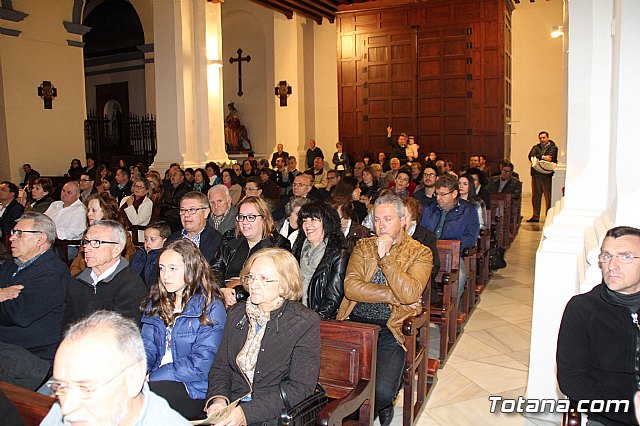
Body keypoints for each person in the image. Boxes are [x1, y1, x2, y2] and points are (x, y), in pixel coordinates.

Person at [336, 194, 432, 426]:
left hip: (392, 329)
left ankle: (378, 407)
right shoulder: (363, 245)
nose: (381, 226)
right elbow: (351, 288)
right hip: (355, 322)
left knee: (382, 391)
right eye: (377, 220)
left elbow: (410, 293)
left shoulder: (420, 252)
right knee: (336, 382)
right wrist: (393, 295)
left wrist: (386, 257)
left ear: (403, 221)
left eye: (387, 219)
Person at [205, 248, 320, 425]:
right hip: (233, 406)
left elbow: (300, 388)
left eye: (264, 279)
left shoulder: (303, 322)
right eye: (251, 277)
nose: (254, 284)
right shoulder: (237, 313)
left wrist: (245, 414)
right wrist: (218, 399)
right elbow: (221, 366)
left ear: (284, 284)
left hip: (272, 414)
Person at [40, 311, 190, 425]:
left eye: (85, 388)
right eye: (61, 387)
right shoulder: (65, 411)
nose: (66, 409)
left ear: (133, 379)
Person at [557, 226, 640, 426]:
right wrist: (630, 407)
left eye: (625, 257)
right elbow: (571, 379)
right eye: (606, 256)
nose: (612, 265)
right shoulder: (583, 309)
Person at [141, 239, 226, 419]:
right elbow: (146, 347)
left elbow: (201, 364)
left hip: (194, 387)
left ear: (191, 268)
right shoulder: (156, 302)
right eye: (162, 268)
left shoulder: (210, 306)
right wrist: (140, 371)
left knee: (145, 404)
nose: (165, 275)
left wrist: (154, 376)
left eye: (173, 269)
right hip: (155, 378)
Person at [0, 212, 72, 363]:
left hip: (28, 356)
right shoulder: (10, 265)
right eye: (13, 232)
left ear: (40, 239)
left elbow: (17, 314)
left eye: (19, 234)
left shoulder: (52, 273)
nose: (11, 238)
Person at [63, 220, 148, 330]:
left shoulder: (131, 286)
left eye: (96, 242)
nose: (87, 248)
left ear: (116, 249)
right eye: (86, 242)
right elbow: (67, 327)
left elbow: (124, 336)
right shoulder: (77, 282)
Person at [212, 196, 291, 308]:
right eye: (241, 217)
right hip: (223, 298)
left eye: (251, 217)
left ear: (264, 218)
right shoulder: (229, 237)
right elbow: (215, 268)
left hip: (260, 304)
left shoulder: (278, 245)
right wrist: (222, 290)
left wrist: (237, 292)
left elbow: (275, 284)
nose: (244, 222)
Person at [420, 174, 480, 305]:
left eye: (443, 194)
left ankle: (451, 314)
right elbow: (421, 231)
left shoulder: (468, 210)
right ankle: (420, 310)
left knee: (459, 276)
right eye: (437, 194)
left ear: (454, 194)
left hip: (454, 255)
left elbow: (470, 238)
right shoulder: (429, 208)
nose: (439, 198)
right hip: (428, 253)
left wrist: (451, 246)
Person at [292, 201, 349, 319]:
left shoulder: (338, 254)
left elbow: (332, 300)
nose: (307, 225)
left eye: (313, 220)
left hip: (321, 320)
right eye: (304, 220)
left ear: (326, 223)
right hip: (295, 315)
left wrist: (311, 321)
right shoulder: (298, 248)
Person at [70, 191, 136, 276]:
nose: (89, 214)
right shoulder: (88, 235)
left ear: (106, 212)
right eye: (88, 210)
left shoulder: (121, 236)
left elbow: (123, 266)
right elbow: (77, 262)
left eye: (94, 210)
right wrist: (78, 277)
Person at [166, 192, 222, 266]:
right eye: (183, 210)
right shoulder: (172, 239)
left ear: (206, 212)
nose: (186, 215)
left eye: (192, 210)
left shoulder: (217, 241)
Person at [402, 197, 440, 303]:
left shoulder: (427, 237)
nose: (400, 219)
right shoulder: (392, 235)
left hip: (421, 288)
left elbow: (434, 266)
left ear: (414, 219)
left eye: (404, 216)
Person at [527, 130, 558, 222]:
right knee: (536, 196)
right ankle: (535, 216)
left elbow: (551, 157)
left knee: (548, 196)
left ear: (548, 138)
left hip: (547, 175)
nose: (542, 140)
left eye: (544, 138)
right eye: (540, 138)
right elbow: (531, 155)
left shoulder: (553, 148)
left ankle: (548, 216)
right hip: (536, 174)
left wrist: (538, 156)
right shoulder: (536, 147)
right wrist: (543, 157)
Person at [130, 221, 170, 289]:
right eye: (146, 239)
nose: (147, 243)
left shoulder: (164, 258)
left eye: (152, 239)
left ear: (164, 241)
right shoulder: (140, 253)